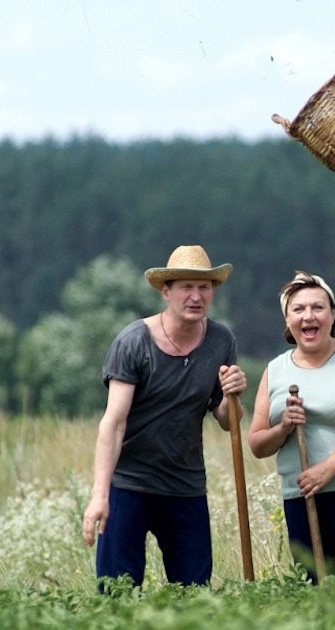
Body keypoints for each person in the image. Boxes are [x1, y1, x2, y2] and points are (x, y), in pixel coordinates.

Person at [81, 245, 248, 589]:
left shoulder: (221, 340)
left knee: (193, 596)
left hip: (185, 485)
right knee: (117, 594)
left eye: (204, 287)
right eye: (186, 287)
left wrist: (234, 395)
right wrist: (100, 495)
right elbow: (114, 422)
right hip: (129, 484)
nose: (196, 296)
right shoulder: (133, 342)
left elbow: (226, 419)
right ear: (166, 291)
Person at [248, 271, 335, 584]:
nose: (308, 316)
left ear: (332, 314)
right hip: (301, 494)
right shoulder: (275, 370)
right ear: (287, 322)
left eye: (318, 307)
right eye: (298, 310)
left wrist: (326, 470)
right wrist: (284, 427)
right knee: (313, 588)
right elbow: (257, 443)